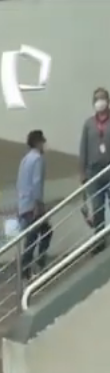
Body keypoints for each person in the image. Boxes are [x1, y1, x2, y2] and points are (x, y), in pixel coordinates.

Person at [17, 129, 52, 280]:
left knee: (35, 235)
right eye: (42, 142)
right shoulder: (37, 159)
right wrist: (39, 204)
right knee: (39, 235)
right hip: (33, 205)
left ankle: (29, 268)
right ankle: (34, 266)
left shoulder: (25, 160)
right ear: (38, 143)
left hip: (24, 204)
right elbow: (36, 182)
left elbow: (20, 183)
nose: (44, 145)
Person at [79, 87, 110, 254]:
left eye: (102, 98)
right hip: (94, 172)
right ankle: (99, 240)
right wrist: (82, 172)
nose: (100, 101)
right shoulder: (89, 124)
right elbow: (83, 148)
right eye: (97, 99)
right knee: (97, 208)